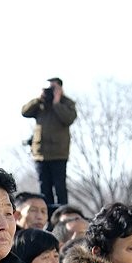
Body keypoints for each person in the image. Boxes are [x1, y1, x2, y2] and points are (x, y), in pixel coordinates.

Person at [21, 77, 77, 207]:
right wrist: (38, 99)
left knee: (60, 187)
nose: (50, 91)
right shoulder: (40, 104)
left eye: (53, 88)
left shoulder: (67, 103)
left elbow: (68, 119)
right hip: (40, 153)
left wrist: (57, 103)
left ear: (60, 88)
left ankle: (62, 213)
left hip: (59, 153)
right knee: (44, 187)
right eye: (47, 88)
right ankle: (46, 213)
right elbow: (24, 112)